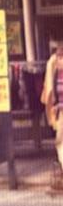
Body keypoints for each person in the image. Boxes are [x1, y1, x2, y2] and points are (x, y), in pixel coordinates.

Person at [41, 44, 63, 177]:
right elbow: (54, 93)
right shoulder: (56, 75)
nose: (58, 61)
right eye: (58, 58)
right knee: (60, 141)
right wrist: (55, 105)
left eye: (61, 58)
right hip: (61, 113)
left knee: (60, 141)